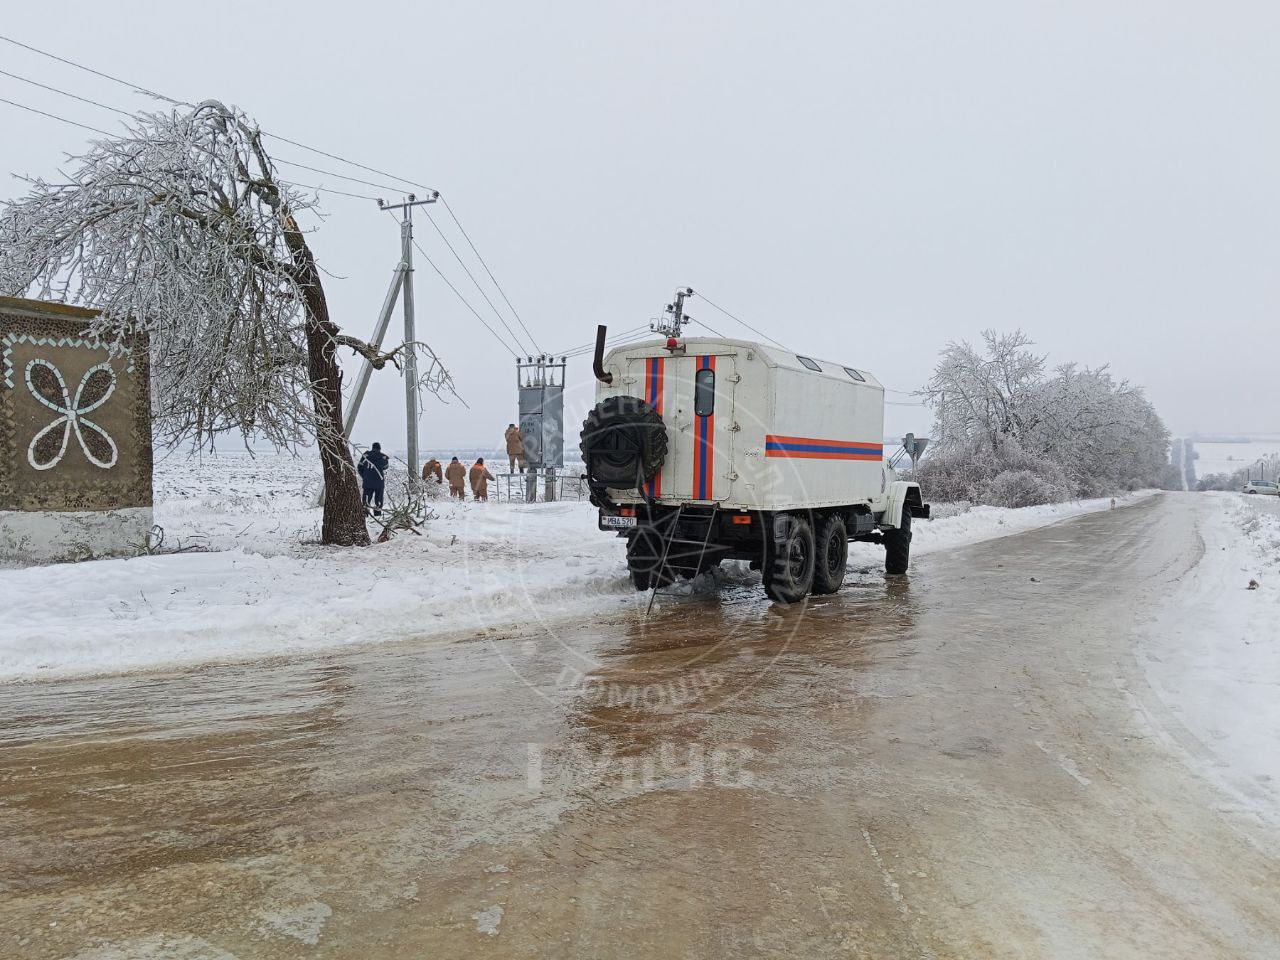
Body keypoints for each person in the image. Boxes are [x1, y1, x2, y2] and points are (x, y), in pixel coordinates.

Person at [357, 442, 390, 516]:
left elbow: (359, 467)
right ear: (379, 448)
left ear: (372, 447)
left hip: (367, 481)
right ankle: (377, 514)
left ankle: (365, 513)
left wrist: (364, 476)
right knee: (379, 498)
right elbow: (386, 467)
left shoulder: (365, 455)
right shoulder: (383, 457)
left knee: (366, 497)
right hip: (379, 482)